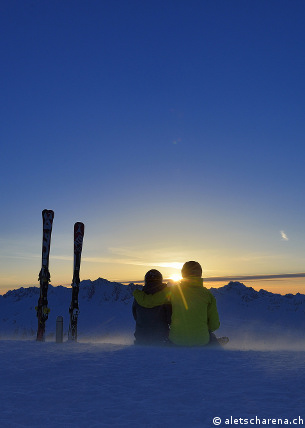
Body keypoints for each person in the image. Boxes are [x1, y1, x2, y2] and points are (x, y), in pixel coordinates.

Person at [133, 261, 220, 346]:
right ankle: (216, 343)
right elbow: (214, 325)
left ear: (183, 274)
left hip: (177, 340)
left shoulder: (173, 291)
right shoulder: (208, 295)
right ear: (200, 274)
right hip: (201, 341)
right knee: (209, 334)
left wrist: (137, 293)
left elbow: (149, 301)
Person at [132, 269, 172, 345]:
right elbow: (170, 319)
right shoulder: (166, 298)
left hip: (141, 339)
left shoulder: (138, 297)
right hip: (162, 339)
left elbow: (135, 316)